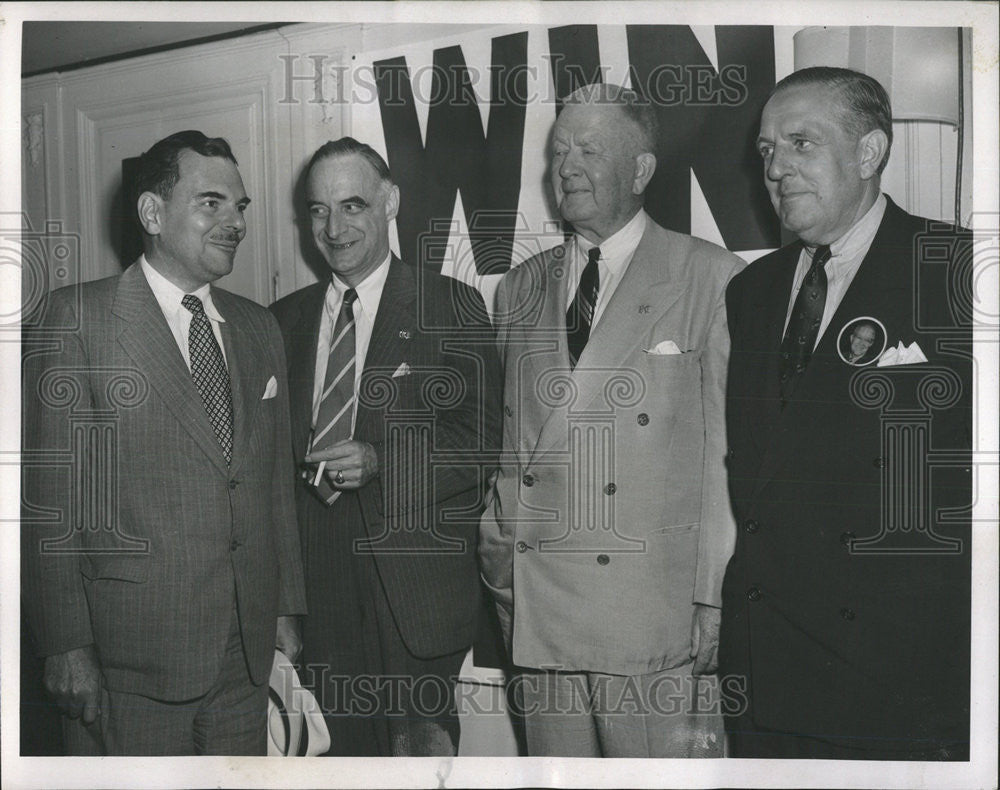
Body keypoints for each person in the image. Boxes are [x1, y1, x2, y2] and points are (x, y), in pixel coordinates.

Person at [478, 83, 744, 757]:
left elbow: (728, 461)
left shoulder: (710, 277)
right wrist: (500, 562)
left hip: (653, 617)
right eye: (559, 150)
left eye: (589, 150)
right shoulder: (519, 287)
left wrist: (713, 598)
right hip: (539, 612)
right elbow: (511, 448)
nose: (566, 166)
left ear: (642, 169)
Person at [21, 130, 306, 755]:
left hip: (245, 654)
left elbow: (272, 488)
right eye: (212, 203)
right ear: (153, 213)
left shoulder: (259, 326)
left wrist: (285, 609)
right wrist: (64, 644)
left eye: (241, 207)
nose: (234, 221)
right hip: (129, 661)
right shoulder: (76, 320)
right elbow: (48, 503)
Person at [719, 66, 972, 760]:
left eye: (802, 143)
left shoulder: (956, 269)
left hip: (899, 673)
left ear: (869, 153)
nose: (777, 167)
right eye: (768, 151)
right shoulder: (754, 290)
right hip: (767, 666)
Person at [270, 137, 501, 756]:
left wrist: (381, 461)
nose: (334, 227)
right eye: (318, 210)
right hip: (315, 596)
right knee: (327, 759)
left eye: (352, 206)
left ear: (390, 202)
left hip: (412, 595)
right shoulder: (281, 320)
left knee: (416, 757)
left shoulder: (448, 305)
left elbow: (483, 442)